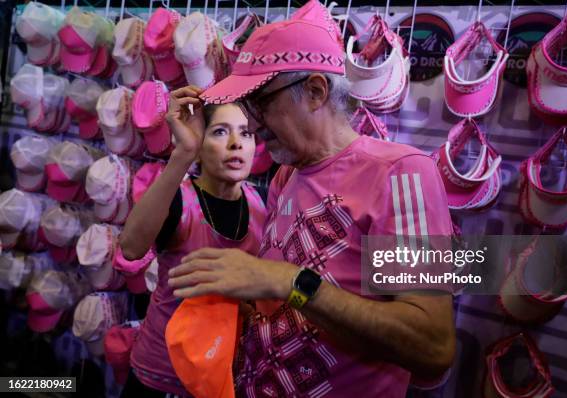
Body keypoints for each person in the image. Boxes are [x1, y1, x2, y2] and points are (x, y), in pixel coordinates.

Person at [168, 2, 456, 397]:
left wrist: (290, 282)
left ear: (316, 91)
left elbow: (432, 346)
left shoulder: (399, 174)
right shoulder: (288, 173)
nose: (250, 123)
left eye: (259, 102)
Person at [118, 87, 267, 397]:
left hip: (219, 375)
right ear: (200, 144)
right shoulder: (181, 201)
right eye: (220, 132)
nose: (236, 143)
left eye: (246, 133)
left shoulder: (259, 206)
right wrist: (183, 153)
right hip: (162, 374)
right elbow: (130, 249)